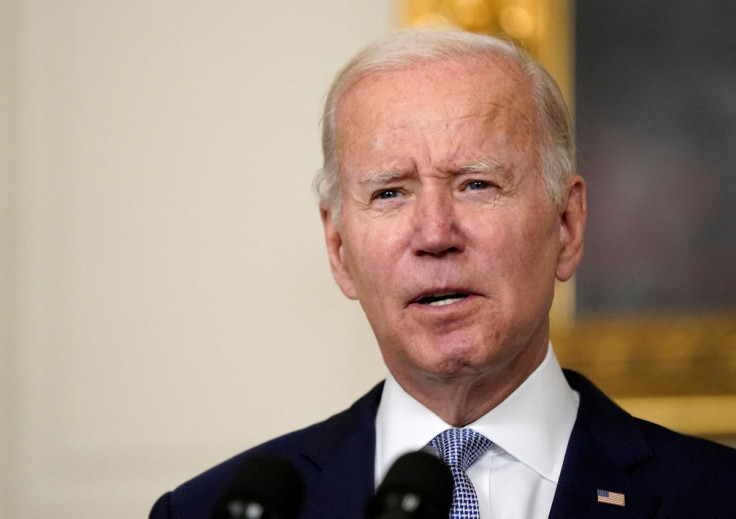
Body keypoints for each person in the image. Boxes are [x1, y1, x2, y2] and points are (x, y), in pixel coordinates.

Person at [149, 29, 736, 519]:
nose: (434, 235)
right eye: (389, 193)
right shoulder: (205, 510)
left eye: (476, 184)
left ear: (566, 225)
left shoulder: (716, 497)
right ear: (337, 246)